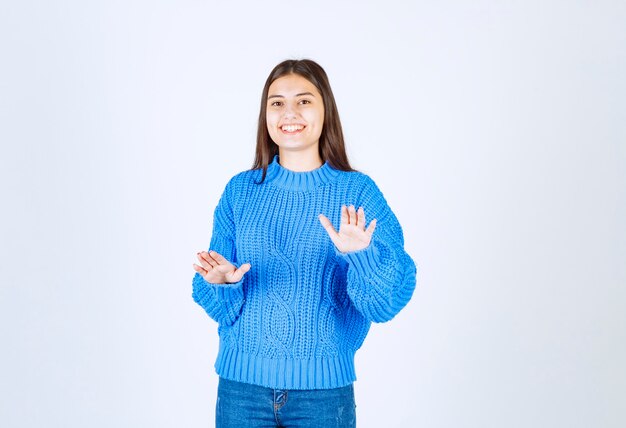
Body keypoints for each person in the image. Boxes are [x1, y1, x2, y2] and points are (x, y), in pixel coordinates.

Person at [191, 59, 417, 428]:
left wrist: (362, 256)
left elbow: (386, 302)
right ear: (265, 115)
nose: (289, 112)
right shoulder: (240, 191)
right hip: (241, 391)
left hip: (323, 395)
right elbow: (220, 308)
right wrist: (223, 283)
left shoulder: (357, 192)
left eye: (304, 101)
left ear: (326, 109)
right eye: (277, 102)